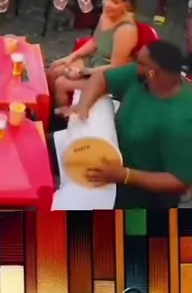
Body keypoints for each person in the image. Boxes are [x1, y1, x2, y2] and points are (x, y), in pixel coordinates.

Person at [65, 40, 192, 209]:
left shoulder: (182, 122)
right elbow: (101, 78)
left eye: (139, 62)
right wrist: (84, 105)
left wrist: (125, 176)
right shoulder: (140, 75)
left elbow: (179, 181)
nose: (133, 65)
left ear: (153, 72)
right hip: (111, 158)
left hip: (145, 191)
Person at [48, 0, 139, 107]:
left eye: (115, 2)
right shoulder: (106, 15)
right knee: (53, 71)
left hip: (107, 76)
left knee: (61, 83)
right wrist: (71, 57)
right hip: (94, 60)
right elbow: (95, 41)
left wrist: (83, 72)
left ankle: (64, 115)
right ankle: (49, 110)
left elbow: (116, 67)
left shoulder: (126, 30)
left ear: (127, 4)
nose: (107, 5)